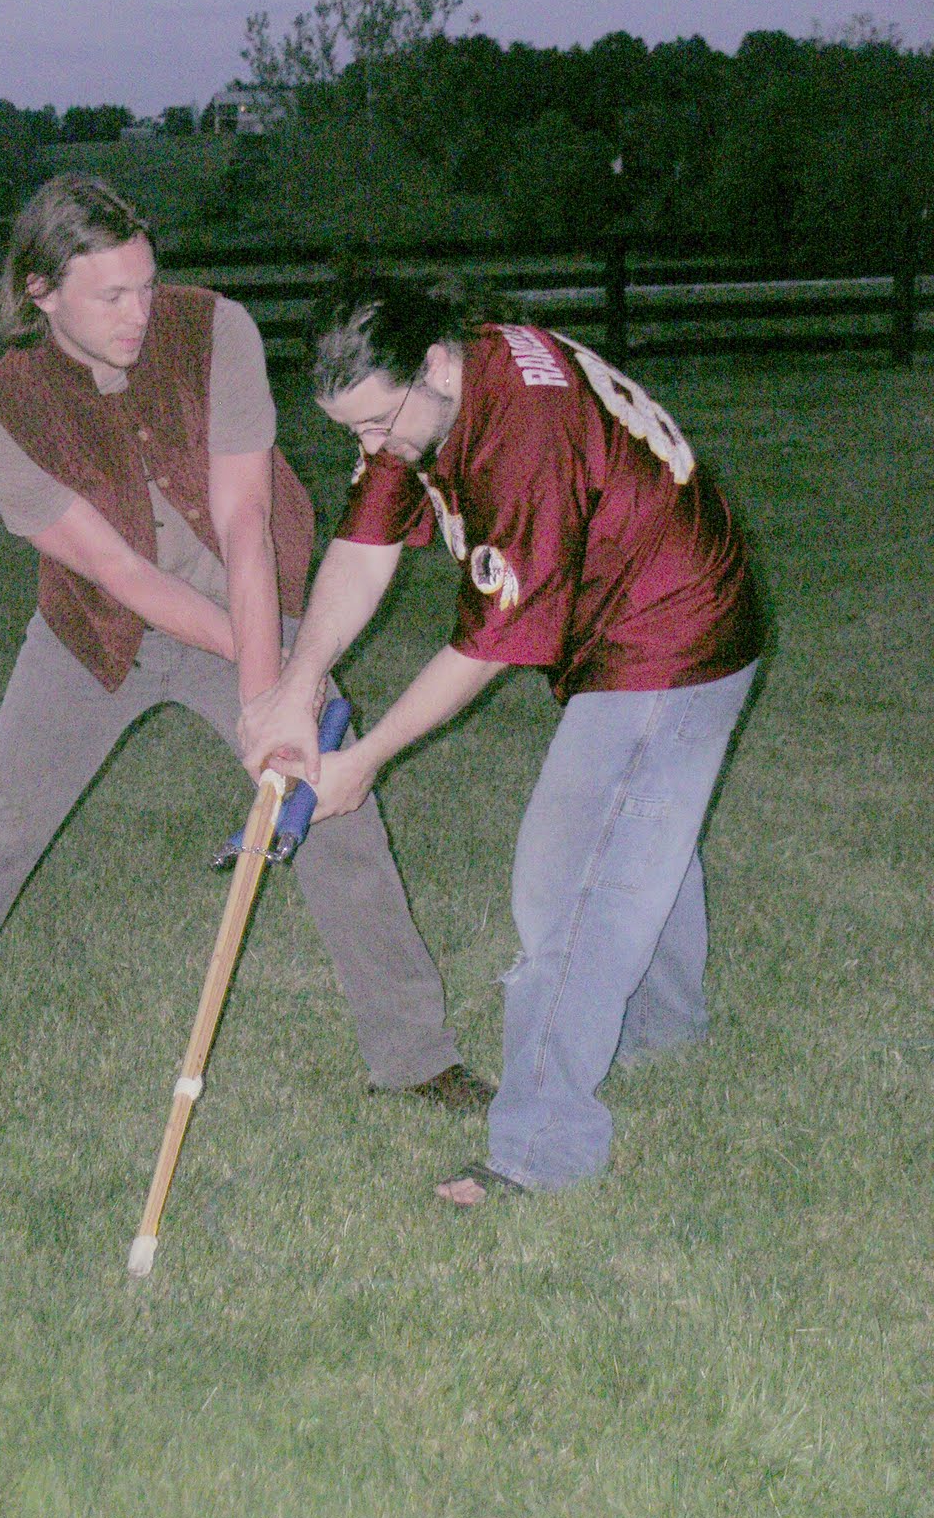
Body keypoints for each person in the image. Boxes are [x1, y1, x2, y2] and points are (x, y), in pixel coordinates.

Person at [0, 176, 492, 1114]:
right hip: (98, 632)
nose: (141, 311)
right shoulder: (1, 417)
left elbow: (246, 521)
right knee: (2, 823)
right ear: (41, 291)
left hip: (256, 605)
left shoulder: (216, 331)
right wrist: (273, 698)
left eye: (146, 285)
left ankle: (418, 1058)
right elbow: (127, 580)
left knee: (331, 805)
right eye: (112, 295)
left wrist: (275, 698)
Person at [239, 277, 763, 1203]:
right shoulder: (436, 389)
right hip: (643, 617)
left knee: (569, 877)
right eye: (351, 432)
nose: (372, 451)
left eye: (376, 424)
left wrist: (366, 759)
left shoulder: (523, 428)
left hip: (669, 633)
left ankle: (539, 1151)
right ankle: (666, 1031)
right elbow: (363, 553)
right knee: (640, 833)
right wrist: (296, 685)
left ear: (435, 365)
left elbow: (485, 646)